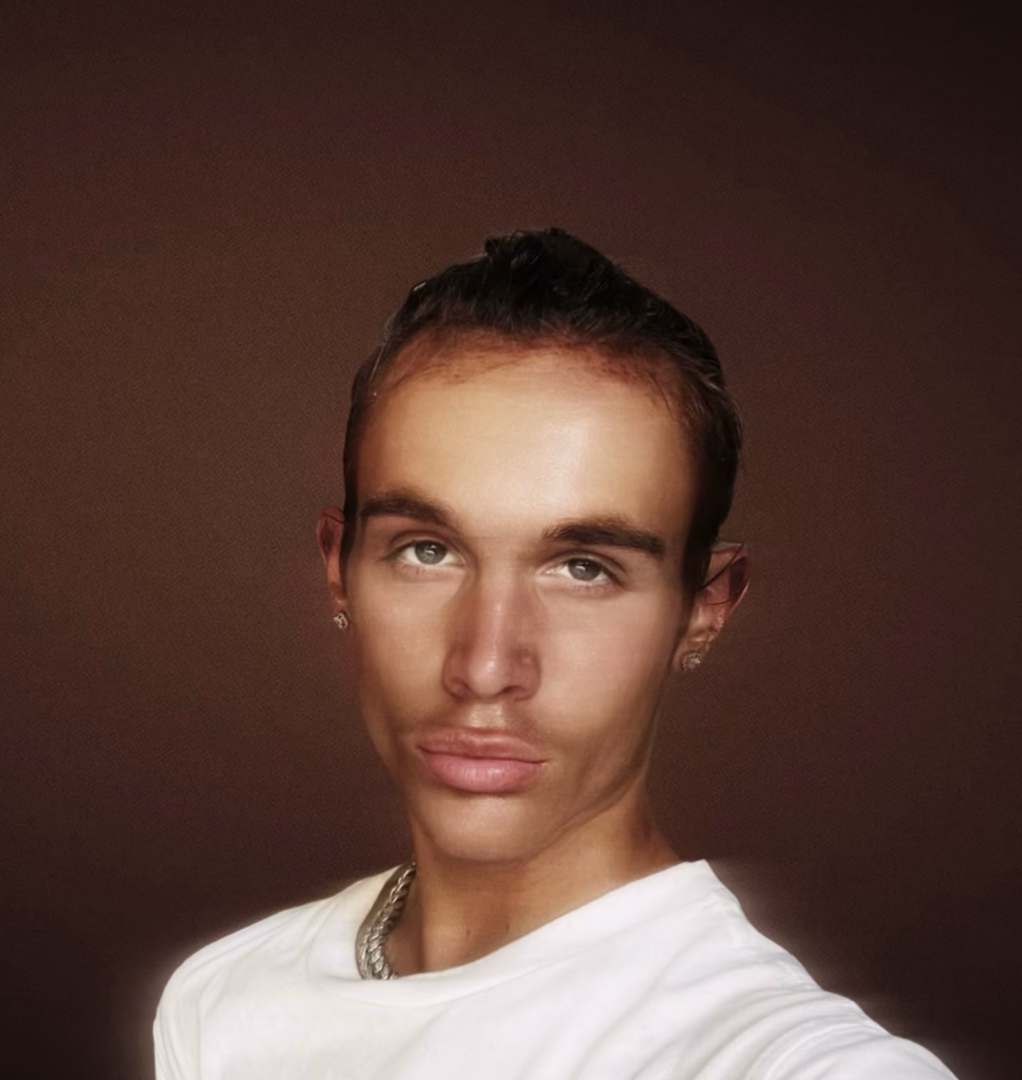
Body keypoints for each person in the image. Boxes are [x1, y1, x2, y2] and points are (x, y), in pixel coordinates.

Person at [153, 229, 956, 1078]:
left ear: (705, 607)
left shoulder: (791, 1062)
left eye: (584, 568)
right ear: (338, 569)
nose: (485, 667)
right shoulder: (221, 999)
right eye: (427, 550)